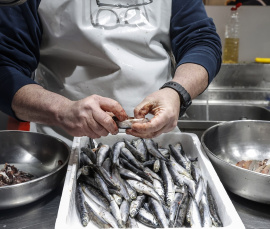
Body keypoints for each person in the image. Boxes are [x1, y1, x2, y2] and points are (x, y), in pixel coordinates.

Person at [0, 0, 222, 146]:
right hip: (63, 149)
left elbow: (201, 41)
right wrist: (62, 110)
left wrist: (176, 92)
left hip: (160, 147)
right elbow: (5, 66)